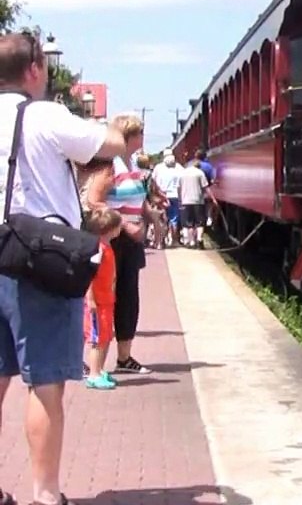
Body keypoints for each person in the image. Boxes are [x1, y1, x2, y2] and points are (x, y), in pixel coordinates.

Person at [0, 32, 130, 505]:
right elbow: (111, 142)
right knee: (45, 384)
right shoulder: (45, 116)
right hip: (38, 264)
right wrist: (113, 126)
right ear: (34, 68)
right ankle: (45, 494)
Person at [80, 113, 152, 377]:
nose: (144, 138)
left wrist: (150, 215)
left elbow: (136, 196)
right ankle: (90, 360)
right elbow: (94, 201)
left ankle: (124, 358)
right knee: (101, 297)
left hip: (130, 242)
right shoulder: (110, 165)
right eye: (140, 133)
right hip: (112, 239)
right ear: (128, 136)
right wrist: (125, 225)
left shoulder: (131, 162)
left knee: (129, 297)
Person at [81, 208, 122, 391]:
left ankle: (100, 369)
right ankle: (94, 374)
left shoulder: (106, 247)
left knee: (105, 336)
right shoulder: (98, 249)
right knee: (97, 338)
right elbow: (88, 275)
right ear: (111, 229)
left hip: (107, 299)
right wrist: (90, 299)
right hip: (97, 301)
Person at [151, 150, 181, 246]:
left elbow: (153, 181)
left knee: (162, 220)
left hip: (161, 196)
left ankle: (162, 241)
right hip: (175, 196)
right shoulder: (179, 167)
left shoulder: (158, 167)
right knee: (174, 219)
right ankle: (174, 241)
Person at [177, 157, 209, 248]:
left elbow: (178, 188)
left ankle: (191, 242)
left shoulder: (182, 173)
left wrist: (180, 199)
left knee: (189, 223)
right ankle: (199, 239)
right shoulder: (200, 173)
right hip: (198, 201)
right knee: (200, 222)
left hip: (185, 201)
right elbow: (205, 187)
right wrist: (211, 198)